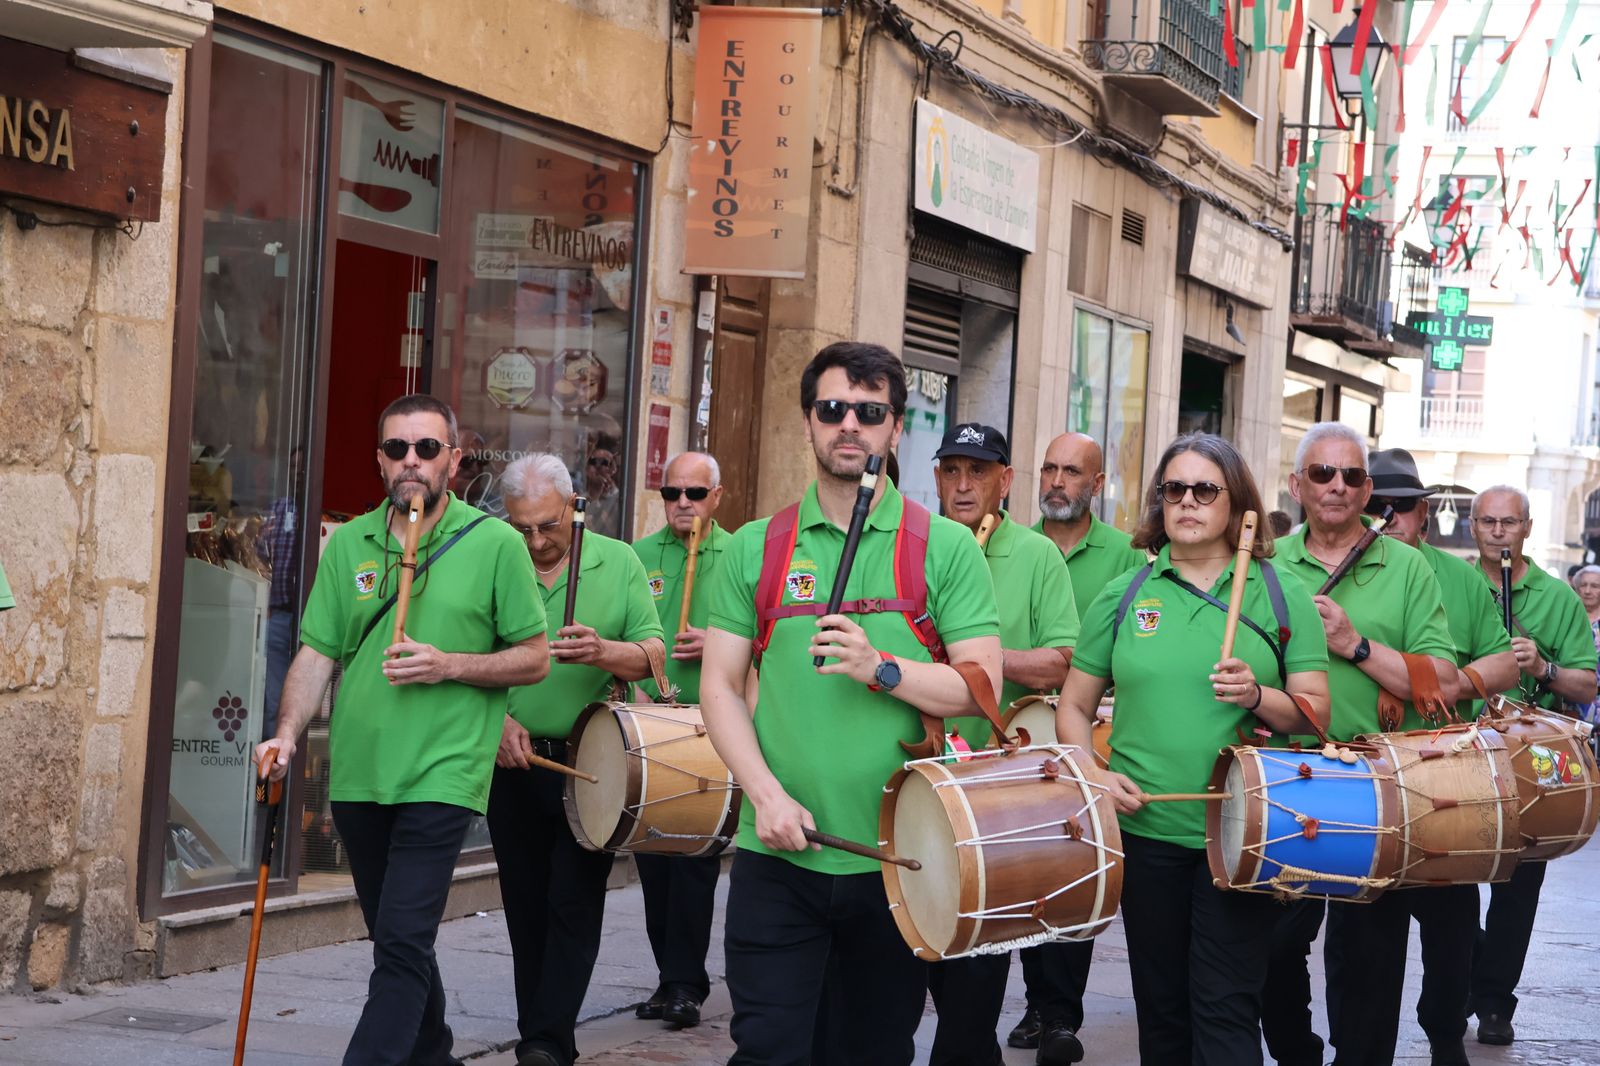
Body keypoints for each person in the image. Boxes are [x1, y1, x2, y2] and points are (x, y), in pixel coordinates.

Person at [699, 341, 1002, 1066]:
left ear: (897, 429)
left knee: (869, 1051)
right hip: (779, 854)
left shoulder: (946, 548)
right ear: (808, 420)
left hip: (897, 857)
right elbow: (718, 687)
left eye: (870, 413)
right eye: (832, 409)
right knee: (767, 1047)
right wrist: (764, 796)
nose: (849, 427)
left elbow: (980, 691)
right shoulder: (755, 547)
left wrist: (881, 668)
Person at [254, 394, 549, 1066]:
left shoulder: (495, 542)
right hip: (360, 774)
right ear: (379, 461)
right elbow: (316, 652)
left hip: (444, 773)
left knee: (404, 941)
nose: (411, 462)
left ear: (454, 457)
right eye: (397, 450)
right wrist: (288, 734)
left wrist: (451, 664)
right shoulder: (350, 542)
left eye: (425, 448)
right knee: (396, 939)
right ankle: (433, 1053)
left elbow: (534, 657)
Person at [1055, 432, 1330, 1066]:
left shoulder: (1279, 591)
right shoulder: (1125, 593)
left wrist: (1258, 694)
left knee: (1226, 1008)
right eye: (1173, 488)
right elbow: (1072, 706)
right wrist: (1094, 774)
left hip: (1243, 833)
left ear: (1236, 504)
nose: (1187, 502)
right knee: (1162, 1012)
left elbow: (1315, 711)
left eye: (1205, 489)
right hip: (1145, 833)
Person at [1262, 422, 1459, 1066]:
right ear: (1297, 486)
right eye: (1322, 474)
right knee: (1274, 947)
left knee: (1369, 956)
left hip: (1379, 785)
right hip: (1289, 776)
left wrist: (1353, 644)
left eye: (1351, 476)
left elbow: (1440, 684)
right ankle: (1297, 1050)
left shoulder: (1406, 566)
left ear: (1368, 489)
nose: (1337, 487)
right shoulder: (1265, 567)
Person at [491, 453, 665, 1066]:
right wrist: (498, 722)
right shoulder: (495, 556)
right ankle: (535, 1024)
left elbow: (653, 653)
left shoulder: (617, 560)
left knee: (574, 899)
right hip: (511, 762)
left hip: (593, 760)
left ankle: (547, 1039)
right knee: (523, 902)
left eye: (547, 526)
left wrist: (605, 651)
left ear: (572, 508)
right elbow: (469, 658)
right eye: (523, 529)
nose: (536, 542)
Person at [1354, 449, 1519, 1066]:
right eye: (1377, 506)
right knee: (1359, 935)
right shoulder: (1334, 569)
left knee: (1450, 931)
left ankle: (1446, 1036)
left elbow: (1504, 661)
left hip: (1444, 773)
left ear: (1423, 514)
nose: (1387, 517)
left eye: (1400, 508)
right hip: (1363, 780)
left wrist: (1456, 683)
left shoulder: (1459, 580)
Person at [927, 423, 1081, 1066]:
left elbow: (1061, 661)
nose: (964, 486)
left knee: (978, 943)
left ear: (1005, 481)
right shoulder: (915, 542)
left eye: (979, 472)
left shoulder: (1037, 554)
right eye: (952, 471)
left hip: (997, 772)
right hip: (921, 761)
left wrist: (980, 660)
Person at [1010, 431, 1145, 1053]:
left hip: (1091, 739)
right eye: (1049, 469)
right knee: (1022, 868)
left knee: (1076, 868)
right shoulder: (1011, 546)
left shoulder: (1127, 557)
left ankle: (1058, 1012)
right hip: (1013, 739)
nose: (1057, 482)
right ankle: (1040, 1002)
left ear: (1097, 485)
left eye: (1072, 472)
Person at [1466, 485, 1598, 1048]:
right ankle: (1472, 973)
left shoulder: (1557, 597)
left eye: (1509, 523)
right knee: (1441, 882)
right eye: (1488, 522)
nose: (1499, 532)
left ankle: (1495, 1001)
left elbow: (1588, 683)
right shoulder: (1449, 584)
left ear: (1527, 527)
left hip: (1533, 755)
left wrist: (1541, 667)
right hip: (1463, 749)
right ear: (1473, 526)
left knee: (1520, 886)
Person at [629, 451, 732, 1029]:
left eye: (695, 493)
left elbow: (768, 643)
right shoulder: (638, 557)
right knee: (652, 859)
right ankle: (669, 976)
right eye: (672, 493)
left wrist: (715, 645)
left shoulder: (742, 554)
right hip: (648, 721)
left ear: (717, 496)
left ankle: (687, 983)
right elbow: (620, 633)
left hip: (706, 726)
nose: (683, 504)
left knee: (693, 860)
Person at [258, 445, 306, 740]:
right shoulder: (278, 509)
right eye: (293, 468)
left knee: (310, 702)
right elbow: (259, 559)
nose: (298, 475)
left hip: (311, 620)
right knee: (274, 699)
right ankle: (274, 769)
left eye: (303, 468)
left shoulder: (321, 511)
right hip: (279, 616)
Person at [1568, 563, 1600, 729]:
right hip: (1572, 702)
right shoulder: (1568, 618)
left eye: (1595, 586)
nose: (1588, 591)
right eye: (1583, 585)